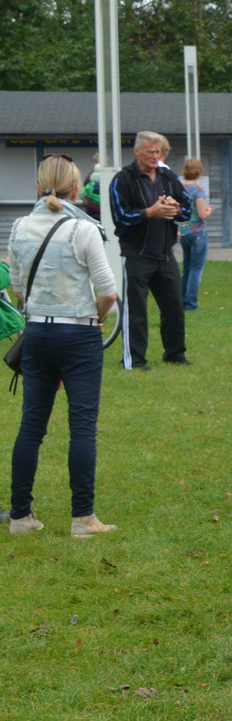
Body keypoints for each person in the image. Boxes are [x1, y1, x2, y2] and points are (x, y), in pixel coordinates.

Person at [8, 156, 121, 536]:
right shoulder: (81, 229)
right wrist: (98, 317)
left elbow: (18, 288)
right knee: (82, 428)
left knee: (31, 426)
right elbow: (108, 292)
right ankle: (82, 518)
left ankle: (20, 515)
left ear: (37, 188)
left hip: (38, 333)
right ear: (77, 189)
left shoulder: (20, 226)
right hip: (79, 334)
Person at [111, 130, 191, 370]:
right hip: (137, 254)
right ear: (137, 151)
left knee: (175, 308)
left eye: (158, 152)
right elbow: (120, 216)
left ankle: (175, 354)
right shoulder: (122, 179)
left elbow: (187, 210)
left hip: (165, 255)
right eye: (150, 152)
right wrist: (149, 212)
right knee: (136, 312)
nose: (155, 156)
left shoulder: (168, 177)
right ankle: (135, 360)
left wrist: (174, 209)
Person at [178, 157, 213, 312]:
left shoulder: (180, 189)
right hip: (198, 233)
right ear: (199, 172)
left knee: (186, 269)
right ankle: (191, 304)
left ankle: (180, 300)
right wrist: (209, 210)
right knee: (196, 270)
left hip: (184, 233)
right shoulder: (198, 191)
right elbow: (202, 214)